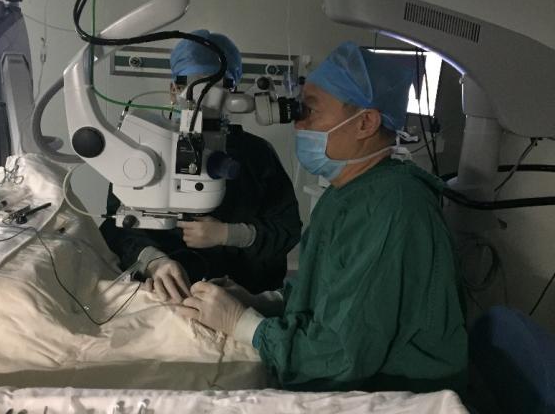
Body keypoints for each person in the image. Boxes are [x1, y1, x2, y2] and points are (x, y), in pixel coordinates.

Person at [178, 41, 468, 394]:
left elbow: (341, 354)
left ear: (365, 122)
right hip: (353, 369)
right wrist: (260, 303)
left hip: (393, 389)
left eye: (310, 109)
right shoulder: (346, 192)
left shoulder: (394, 208)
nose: (298, 123)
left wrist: (244, 325)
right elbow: (323, 293)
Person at [100, 30, 302, 302]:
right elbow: (117, 225)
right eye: (196, 87)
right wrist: (153, 261)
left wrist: (232, 234)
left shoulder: (257, 156)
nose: (206, 100)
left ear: (233, 94)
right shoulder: (144, 151)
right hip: (165, 294)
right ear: (173, 90)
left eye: (219, 89)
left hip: (243, 295)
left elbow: (287, 229)